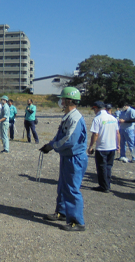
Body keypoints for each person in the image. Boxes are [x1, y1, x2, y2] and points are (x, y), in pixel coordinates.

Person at [40, 87, 88, 232]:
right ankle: (62, 212)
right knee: (63, 186)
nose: (61, 101)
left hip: (75, 158)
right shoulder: (68, 116)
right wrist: (50, 144)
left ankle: (77, 221)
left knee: (72, 189)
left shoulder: (75, 118)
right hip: (67, 156)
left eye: (62, 99)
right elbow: (60, 134)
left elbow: (69, 140)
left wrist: (53, 146)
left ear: (68, 100)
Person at [87, 101, 119, 193]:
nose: (94, 111)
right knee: (108, 166)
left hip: (102, 147)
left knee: (102, 167)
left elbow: (95, 134)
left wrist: (91, 146)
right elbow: (117, 132)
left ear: (96, 108)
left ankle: (104, 186)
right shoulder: (112, 117)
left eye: (94, 109)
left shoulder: (98, 118)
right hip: (112, 146)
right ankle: (107, 184)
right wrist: (118, 145)